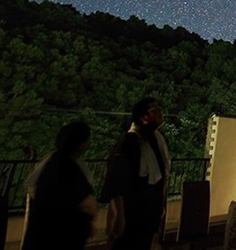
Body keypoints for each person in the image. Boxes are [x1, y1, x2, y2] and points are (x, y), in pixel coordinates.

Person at [101, 97, 171, 250]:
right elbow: (116, 183)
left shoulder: (153, 141)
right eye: (155, 111)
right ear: (144, 117)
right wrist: (119, 216)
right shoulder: (129, 143)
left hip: (147, 217)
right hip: (132, 217)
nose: (161, 114)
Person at [22, 121, 97, 250]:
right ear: (80, 144)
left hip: (43, 235)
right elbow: (87, 204)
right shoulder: (68, 167)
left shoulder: (52, 162)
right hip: (61, 236)